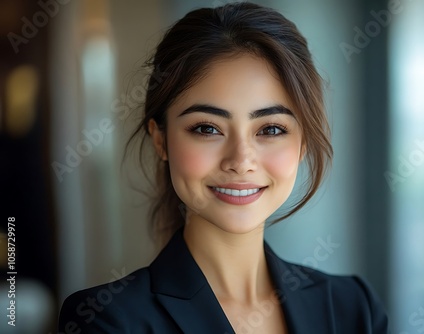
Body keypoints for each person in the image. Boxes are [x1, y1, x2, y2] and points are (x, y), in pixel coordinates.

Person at [58, 2, 388, 333]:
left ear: (302, 143)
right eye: (207, 128)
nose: (241, 161)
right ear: (161, 140)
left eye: (271, 129)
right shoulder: (106, 320)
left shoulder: (353, 308)